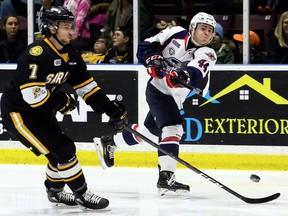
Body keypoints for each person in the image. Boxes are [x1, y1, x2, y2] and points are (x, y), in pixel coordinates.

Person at [0, 6, 128, 210]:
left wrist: (110, 110)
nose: (72, 32)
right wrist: (62, 102)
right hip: (19, 113)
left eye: (72, 26)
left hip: (41, 111)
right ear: (51, 28)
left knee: (58, 153)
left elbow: (88, 89)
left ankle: (55, 191)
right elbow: (32, 96)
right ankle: (82, 194)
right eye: (66, 27)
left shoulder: (71, 56)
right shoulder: (37, 53)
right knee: (63, 149)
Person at [96, 12, 217, 196]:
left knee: (149, 132)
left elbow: (196, 70)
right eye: (203, 28)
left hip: (176, 96)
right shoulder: (175, 32)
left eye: (210, 30)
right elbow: (146, 46)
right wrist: (152, 59)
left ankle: (111, 142)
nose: (207, 33)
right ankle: (166, 178)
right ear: (192, 28)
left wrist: (181, 75)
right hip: (158, 90)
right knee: (173, 129)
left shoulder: (208, 53)